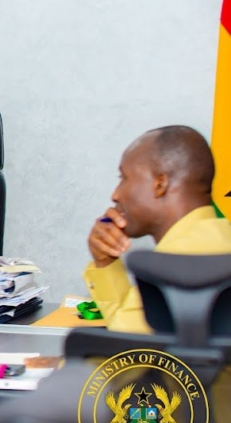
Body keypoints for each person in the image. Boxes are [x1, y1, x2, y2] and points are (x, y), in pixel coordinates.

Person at [85, 125, 231, 333]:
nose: (115, 195)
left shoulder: (181, 260)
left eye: (124, 178)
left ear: (160, 184)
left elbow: (125, 347)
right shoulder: (219, 236)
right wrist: (105, 261)